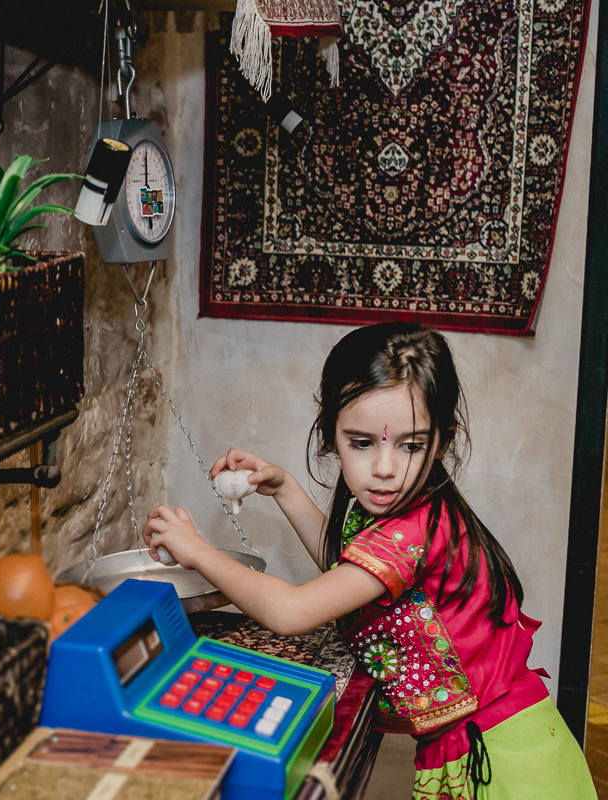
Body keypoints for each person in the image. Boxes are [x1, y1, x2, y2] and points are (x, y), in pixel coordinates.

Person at [142, 322, 595, 800]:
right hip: (504, 742)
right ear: (331, 436)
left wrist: (198, 551)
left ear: (442, 442)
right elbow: (347, 571)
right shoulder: (408, 507)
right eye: (362, 443)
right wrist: (286, 489)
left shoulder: (413, 529)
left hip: (507, 764)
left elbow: (292, 612)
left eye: (411, 445)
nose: (384, 468)